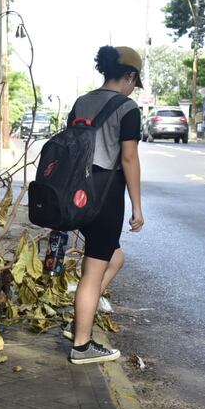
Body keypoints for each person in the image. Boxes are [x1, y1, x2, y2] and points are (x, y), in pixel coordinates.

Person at [63, 45, 145, 364]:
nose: (133, 89)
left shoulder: (82, 102)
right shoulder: (128, 108)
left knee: (115, 257)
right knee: (93, 271)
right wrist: (137, 207)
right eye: (134, 83)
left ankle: (80, 321)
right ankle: (81, 345)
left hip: (77, 192)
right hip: (105, 194)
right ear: (129, 76)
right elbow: (129, 158)